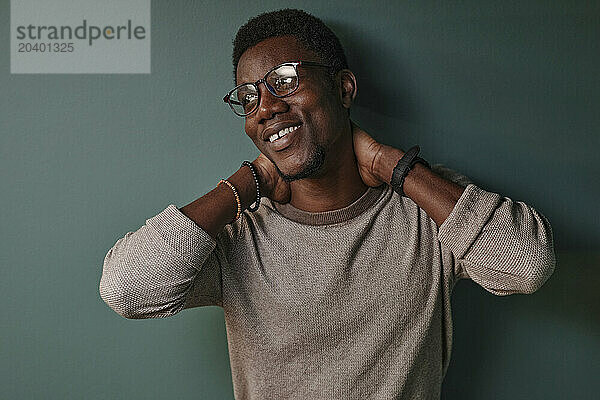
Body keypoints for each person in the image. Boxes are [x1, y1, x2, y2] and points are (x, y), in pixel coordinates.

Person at [99, 8, 556, 400]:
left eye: (285, 81)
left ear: (343, 89)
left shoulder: (427, 210)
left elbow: (527, 264)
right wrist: (248, 181)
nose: (265, 107)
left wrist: (394, 167)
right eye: (249, 96)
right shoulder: (238, 235)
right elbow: (127, 288)